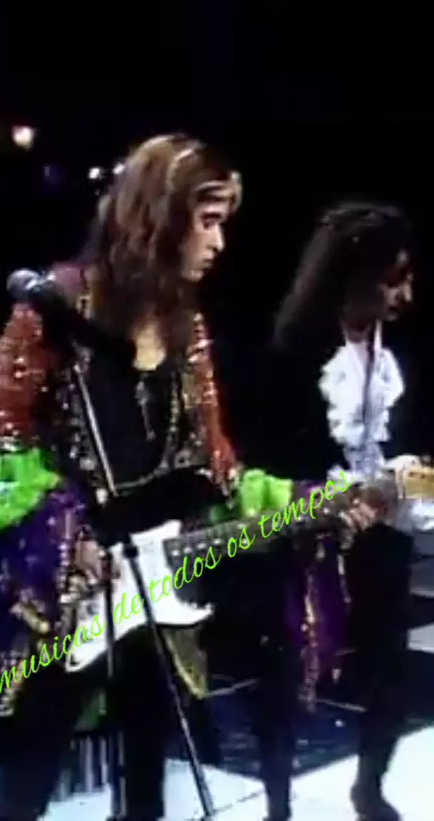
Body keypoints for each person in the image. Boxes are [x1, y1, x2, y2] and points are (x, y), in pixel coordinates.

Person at [0, 139, 378, 821]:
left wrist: (311, 504)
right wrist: (64, 534)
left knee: (148, 766)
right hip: (69, 589)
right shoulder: (57, 308)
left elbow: (216, 469)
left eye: (223, 223)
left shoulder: (187, 328)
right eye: (207, 221)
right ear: (158, 216)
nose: (219, 243)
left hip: (153, 580)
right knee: (28, 776)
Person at [269, 201, 417, 821]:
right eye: (393, 279)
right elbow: (276, 456)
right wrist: (329, 502)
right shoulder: (296, 353)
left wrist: (396, 485)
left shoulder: (398, 350)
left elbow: (408, 439)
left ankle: (369, 787)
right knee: (290, 675)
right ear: (354, 276)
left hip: (382, 525)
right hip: (308, 527)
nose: (406, 294)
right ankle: (278, 806)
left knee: (391, 669)